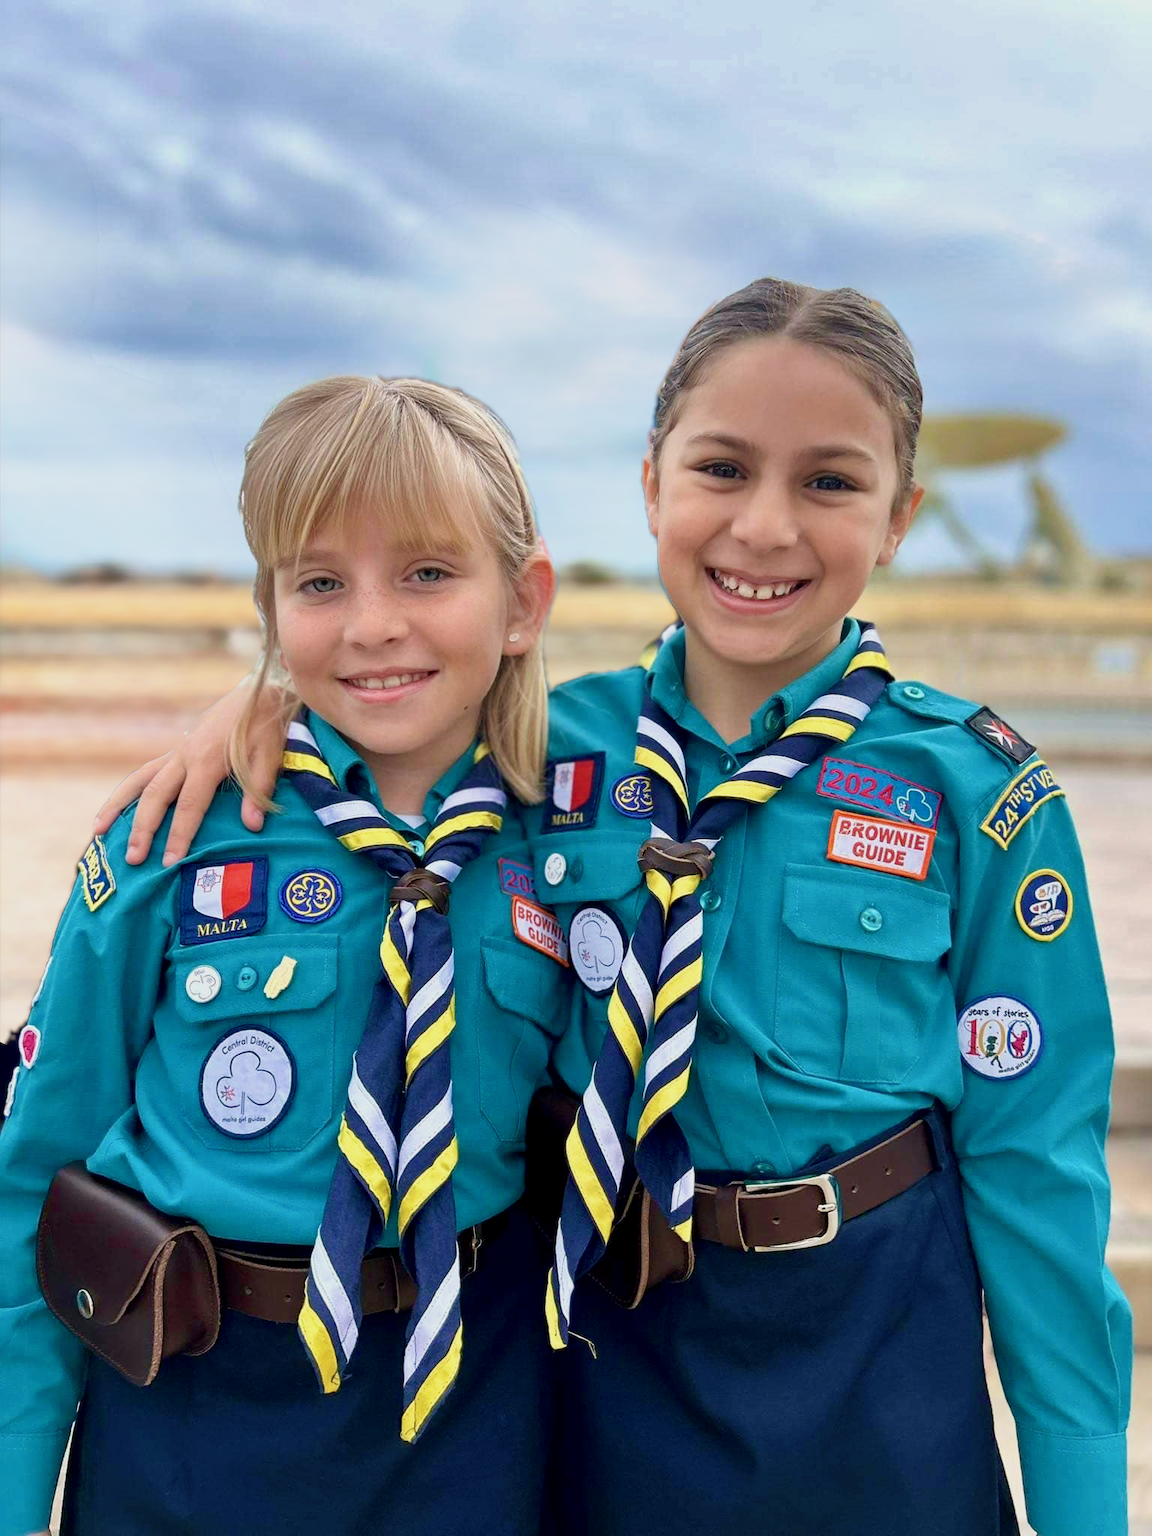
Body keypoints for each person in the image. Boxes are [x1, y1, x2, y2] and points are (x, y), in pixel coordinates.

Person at [89, 279, 1131, 1536]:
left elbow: (1038, 1173)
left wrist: (1081, 1505)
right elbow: (379, 699)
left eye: (831, 483)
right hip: (613, 1338)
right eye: (723, 468)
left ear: (901, 518)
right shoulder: (534, 754)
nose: (764, 528)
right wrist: (253, 712)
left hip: (876, 1346)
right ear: (651, 487)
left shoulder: (975, 793)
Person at [0, 375, 563, 1536]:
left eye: (426, 572)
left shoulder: (579, 835)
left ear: (523, 601)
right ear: (270, 608)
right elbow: (36, 1173)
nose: (370, 623)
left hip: (474, 1411)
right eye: (319, 582)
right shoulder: (169, 839)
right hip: (194, 1415)